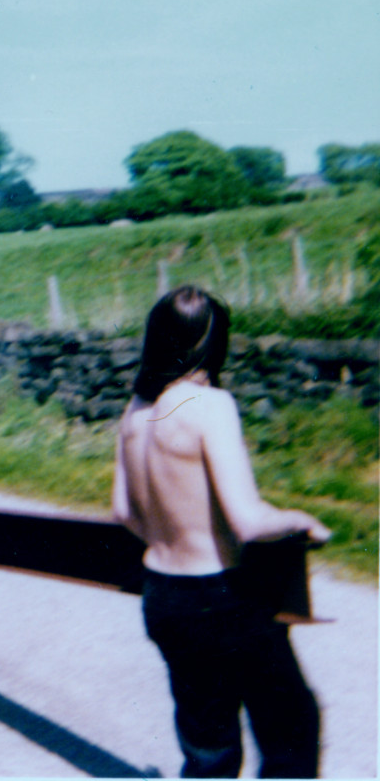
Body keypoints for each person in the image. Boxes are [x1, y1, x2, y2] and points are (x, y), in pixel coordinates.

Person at [112, 286, 330, 778]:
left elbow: (123, 510)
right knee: (290, 724)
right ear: (213, 343)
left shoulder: (137, 413)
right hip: (221, 597)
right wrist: (299, 520)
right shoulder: (210, 405)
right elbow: (249, 522)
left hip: (164, 595)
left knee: (207, 745)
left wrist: (179, 529)